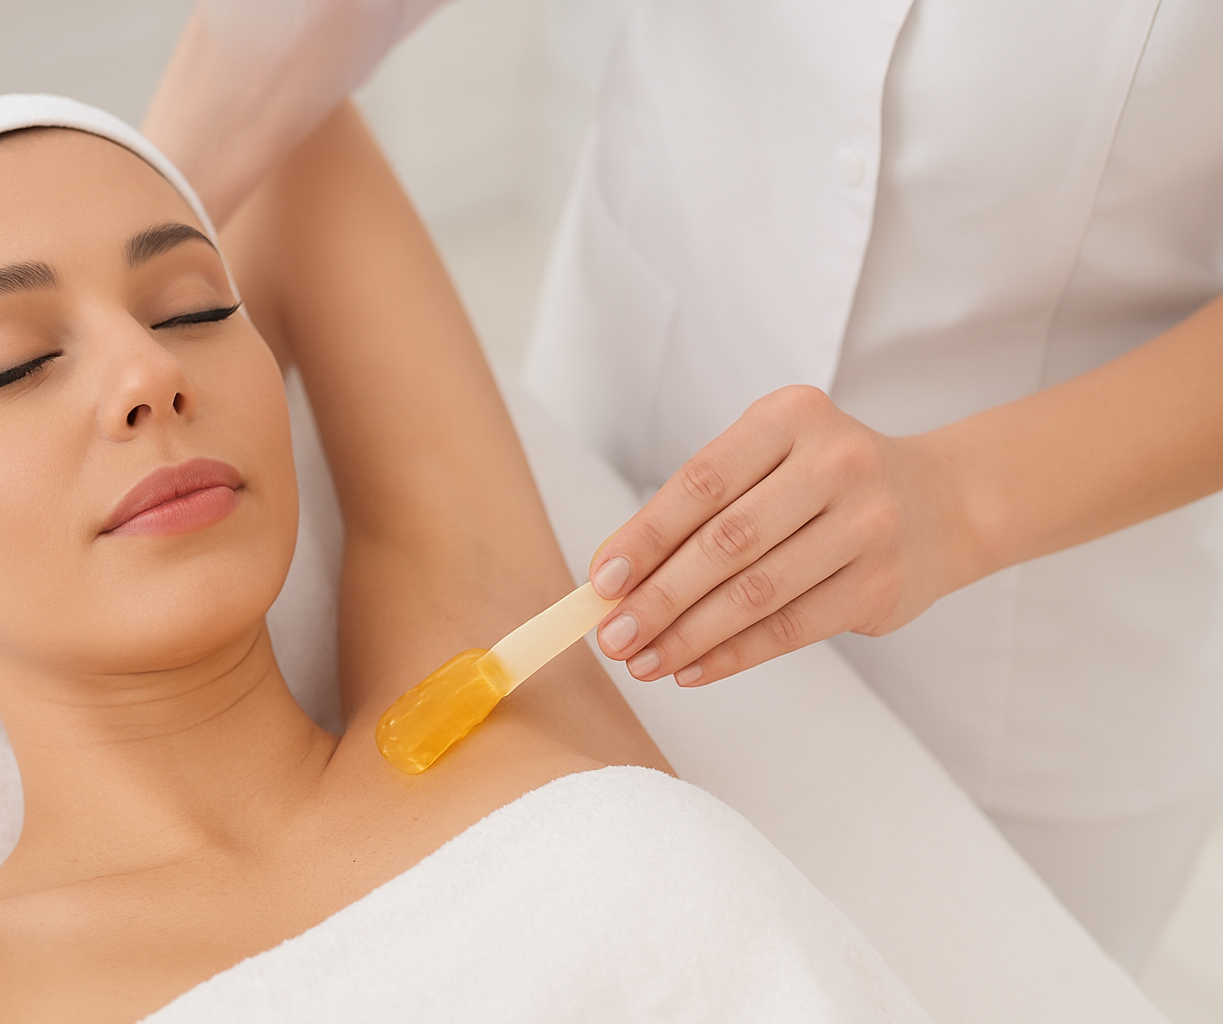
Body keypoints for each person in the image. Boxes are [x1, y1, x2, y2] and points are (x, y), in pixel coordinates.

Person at [0, 93, 930, 1022]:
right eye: (13, 361)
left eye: (190, 306)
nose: (148, 374)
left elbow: (303, 141)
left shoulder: (488, 688)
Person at [143, 0, 1223, 967]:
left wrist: (961, 498)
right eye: (12, 366)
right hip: (633, 402)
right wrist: (108, 227)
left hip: (1037, 637)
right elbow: (287, 71)